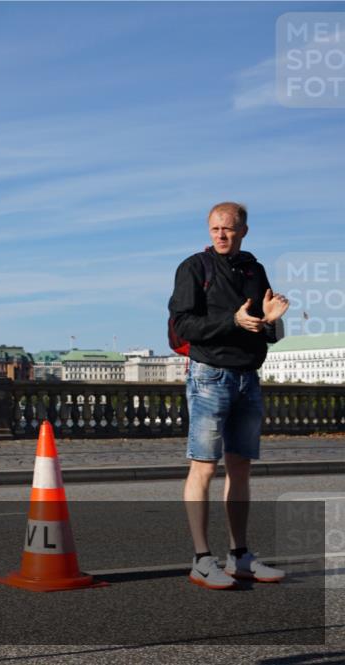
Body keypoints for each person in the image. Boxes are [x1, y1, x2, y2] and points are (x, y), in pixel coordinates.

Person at [168, 201, 289, 590]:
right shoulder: (194, 268)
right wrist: (230, 320)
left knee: (240, 468)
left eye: (229, 229)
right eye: (215, 229)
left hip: (247, 377)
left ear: (244, 231)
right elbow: (183, 325)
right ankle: (202, 558)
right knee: (203, 466)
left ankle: (240, 556)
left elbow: (264, 331)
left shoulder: (255, 269)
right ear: (209, 230)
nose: (221, 235)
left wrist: (272, 324)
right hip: (209, 376)